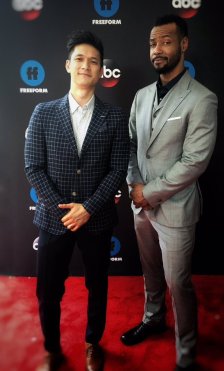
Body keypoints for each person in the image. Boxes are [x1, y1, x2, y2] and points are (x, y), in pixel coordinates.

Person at [24, 30, 130, 371]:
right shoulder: (43, 112)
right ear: (69, 65)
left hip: (96, 219)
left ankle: (91, 343)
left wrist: (87, 208)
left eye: (94, 61)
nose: (87, 65)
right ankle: (52, 349)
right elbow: (33, 167)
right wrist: (63, 210)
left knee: (97, 286)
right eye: (80, 59)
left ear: (101, 71)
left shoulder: (114, 117)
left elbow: (117, 170)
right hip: (54, 220)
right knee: (48, 291)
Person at [120, 14, 218, 371]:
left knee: (179, 283)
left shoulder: (202, 99)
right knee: (150, 272)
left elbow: (195, 161)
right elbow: (130, 146)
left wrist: (151, 192)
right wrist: (135, 186)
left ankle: (186, 353)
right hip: (140, 204)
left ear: (184, 44)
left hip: (175, 208)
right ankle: (153, 317)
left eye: (165, 42)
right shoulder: (142, 96)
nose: (157, 50)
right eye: (152, 44)